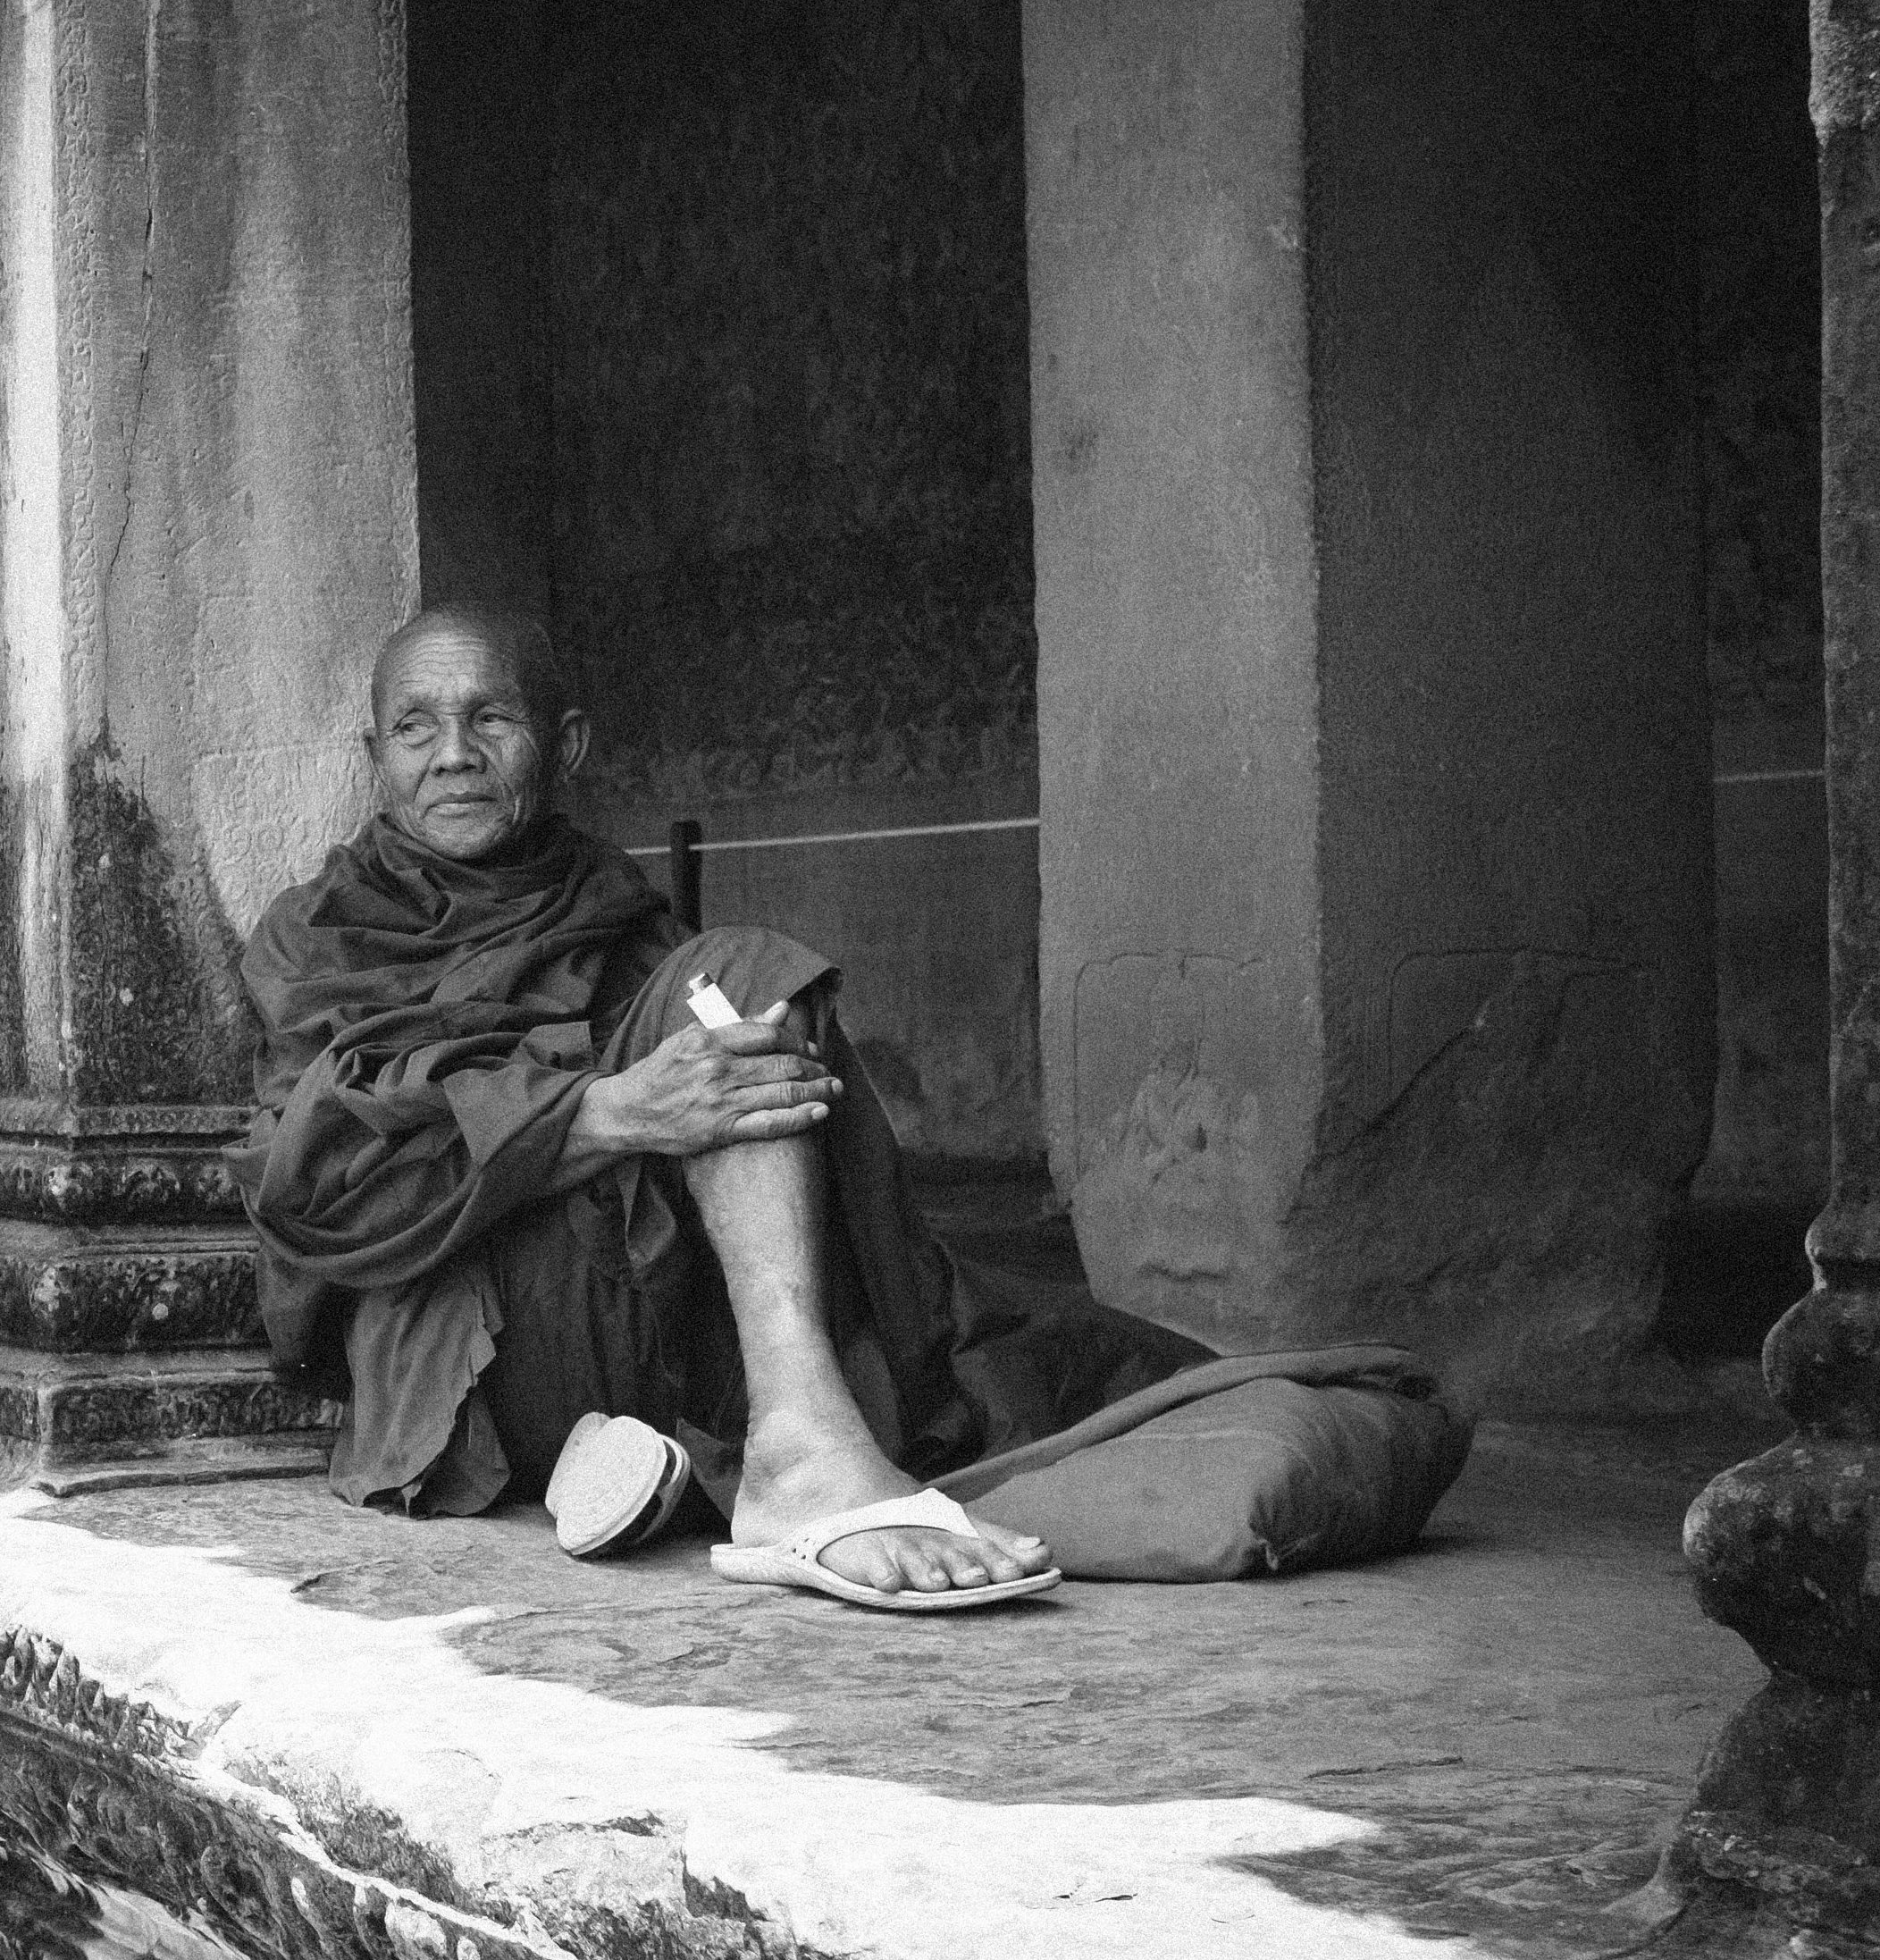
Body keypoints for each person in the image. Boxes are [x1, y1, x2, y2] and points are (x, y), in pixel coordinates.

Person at [239, 605, 1463, 1610]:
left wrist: (658, 1100)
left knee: (746, 981)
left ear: (563, 742)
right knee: (928, 1382)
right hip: (477, 1348)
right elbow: (321, 1185)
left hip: (655, 1321)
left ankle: (776, 1442)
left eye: (488, 717)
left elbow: (726, 1095)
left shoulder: (621, 922)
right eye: (416, 727)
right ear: (375, 760)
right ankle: (748, 1452)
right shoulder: (317, 939)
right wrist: (608, 1117)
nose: (452, 752)